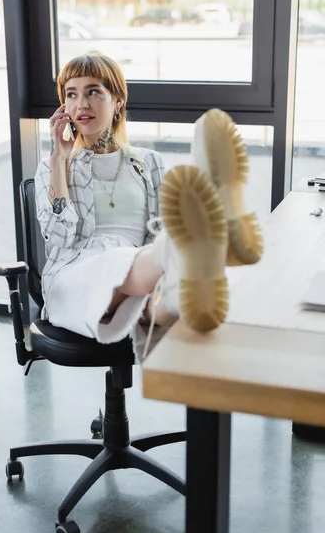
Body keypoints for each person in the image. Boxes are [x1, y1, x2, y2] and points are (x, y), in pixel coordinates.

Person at [34, 53, 263, 362]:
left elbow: (166, 225)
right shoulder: (53, 167)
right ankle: (214, 237)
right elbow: (59, 238)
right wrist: (59, 158)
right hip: (74, 276)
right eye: (71, 94)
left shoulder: (149, 163)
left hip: (138, 270)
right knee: (142, 261)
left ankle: (186, 287)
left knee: (164, 307)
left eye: (93, 92)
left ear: (117, 101)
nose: (81, 104)